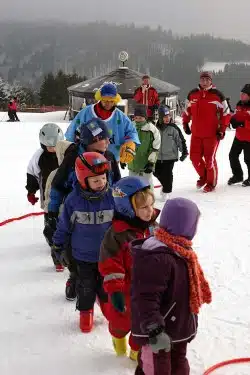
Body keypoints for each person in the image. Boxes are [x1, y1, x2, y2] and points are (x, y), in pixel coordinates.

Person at [131, 198, 212, 375]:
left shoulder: (180, 250)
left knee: (179, 367)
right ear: (184, 225)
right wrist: (154, 329)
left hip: (176, 329)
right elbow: (145, 296)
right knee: (156, 369)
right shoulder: (158, 257)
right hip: (159, 333)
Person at [49, 118, 121, 300]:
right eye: (102, 138)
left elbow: (119, 184)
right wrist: (52, 212)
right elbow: (57, 185)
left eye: (107, 138)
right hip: (78, 211)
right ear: (90, 141)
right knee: (77, 257)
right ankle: (74, 280)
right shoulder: (74, 156)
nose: (107, 142)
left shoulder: (109, 157)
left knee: (104, 254)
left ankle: (101, 288)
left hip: (105, 209)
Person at [52, 152, 114, 333]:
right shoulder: (73, 201)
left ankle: (107, 307)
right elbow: (63, 226)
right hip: (83, 256)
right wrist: (58, 246)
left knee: (106, 286)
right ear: (82, 180)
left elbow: (124, 221)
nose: (101, 182)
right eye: (95, 180)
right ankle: (85, 311)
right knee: (85, 287)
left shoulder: (113, 197)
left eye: (103, 178)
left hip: (107, 255)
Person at [99, 176, 159, 361]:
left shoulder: (153, 228)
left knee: (142, 325)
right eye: (144, 208)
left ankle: (136, 352)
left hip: (147, 291)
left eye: (151, 205)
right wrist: (115, 290)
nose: (150, 211)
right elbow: (110, 264)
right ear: (128, 208)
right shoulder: (117, 235)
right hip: (125, 291)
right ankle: (118, 340)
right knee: (120, 322)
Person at [65, 83, 140, 162]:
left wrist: (130, 142)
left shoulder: (121, 117)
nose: (108, 104)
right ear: (100, 98)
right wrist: (70, 148)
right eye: (105, 100)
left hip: (112, 160)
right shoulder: (86, 113)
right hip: (87, 159)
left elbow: (131, 131)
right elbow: (72, 132)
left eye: (111, 101)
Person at [182, 71, 231, 193]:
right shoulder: (192, 94)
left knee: (209, 160)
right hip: (196, 133)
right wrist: (185, 123)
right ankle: (204, 177)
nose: (204, 82)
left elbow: (226, 113)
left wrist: (222, 130)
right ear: (199, 80)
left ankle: (211, 183)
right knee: (194, 158)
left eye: (207, 79)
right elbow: (187, 110)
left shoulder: (217, 95)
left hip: (212, 134)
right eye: (202, 79)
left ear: (211, 81)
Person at [25, 123, 64, 271]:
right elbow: (32, 175)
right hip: (47, 198)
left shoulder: (66, 153)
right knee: (51, 223)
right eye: (50, 147)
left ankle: (63, 245)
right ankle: (54, 245)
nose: (54, 149)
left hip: (65, 196)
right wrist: (31, 191)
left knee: (65, 222)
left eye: (56, 146)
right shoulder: (39, 157)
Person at [43, 140, 73, 270]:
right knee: (56, 236)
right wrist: (48, 212)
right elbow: (49, 194)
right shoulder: (56, 174)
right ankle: (58, 260)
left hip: (67, 211)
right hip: (57, 211)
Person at [154, 105, 188, 201]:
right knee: (156, 172)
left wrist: (184, 151)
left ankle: (166, 192)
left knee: (167, 175)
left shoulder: (174, 128)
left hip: (170, 157)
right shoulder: (155, 128)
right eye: (165, 117)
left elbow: (180, 140)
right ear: (160, 118)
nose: (167, 118)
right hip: (157, 157)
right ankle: (165, 186)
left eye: (168, 116)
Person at [127, 104, 161, 189]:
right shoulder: (130, 127)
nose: (138, 120)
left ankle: (149, 200)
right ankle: (134, 200)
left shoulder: (151, 129)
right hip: (132, 163)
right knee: (133, 184)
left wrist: (151, 163)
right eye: (136, 117)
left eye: (141, 118)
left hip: (145, 164)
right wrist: (123, 158)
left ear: (145, 117)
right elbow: (126, 143)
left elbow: (155, 148)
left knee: (146, 185)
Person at [228, 84, 250, 187]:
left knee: (248, 159)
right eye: (241, 93)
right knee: (232, 156)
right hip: (239, 136)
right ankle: (238, 176)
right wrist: (232, 119)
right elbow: (236, 115)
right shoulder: (239, 104)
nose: (241, 96)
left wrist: (242, 124)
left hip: (249, 138)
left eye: (244, 94)